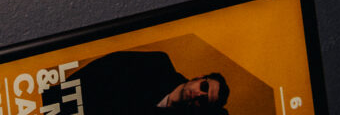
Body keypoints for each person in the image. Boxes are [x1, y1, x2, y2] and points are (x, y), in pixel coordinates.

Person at [43, 50, 229, 115]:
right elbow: (102, 69)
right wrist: (54, 98)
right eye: (204, 87)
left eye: (204, 99)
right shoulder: (158, 64)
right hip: (62, 104)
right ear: (199, 78)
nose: (199, 94)